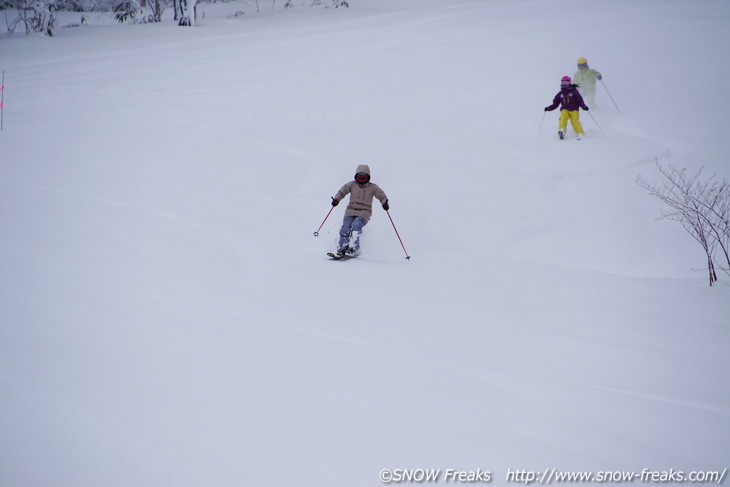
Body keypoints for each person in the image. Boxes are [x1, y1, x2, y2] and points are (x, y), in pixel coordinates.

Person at [330, 164, 389, 256]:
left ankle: (354, 248)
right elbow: (342, 191)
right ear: (355, 177)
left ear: (368, 178)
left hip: (364, 212)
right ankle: (342, 247)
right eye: (359, 177)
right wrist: (336, 199)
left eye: (363, 178)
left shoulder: (373, 187)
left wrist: (384, 203)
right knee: (345, 227)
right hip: (350, 210)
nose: (361, 180)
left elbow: (381, 195)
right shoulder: (351, 185)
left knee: (356, 226)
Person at [544, 76, 589, 140]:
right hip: (565, 109)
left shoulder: (574, 92)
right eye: (563, 82)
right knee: (563, 118)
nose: (564, 84)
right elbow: (555, 104)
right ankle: (562, 131)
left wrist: (584, 106)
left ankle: (580, 132)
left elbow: (580, 100)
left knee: (574, 121)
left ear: (569, 83)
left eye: (566, 83)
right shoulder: (560, 94)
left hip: (574, 109)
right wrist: (549, 108)